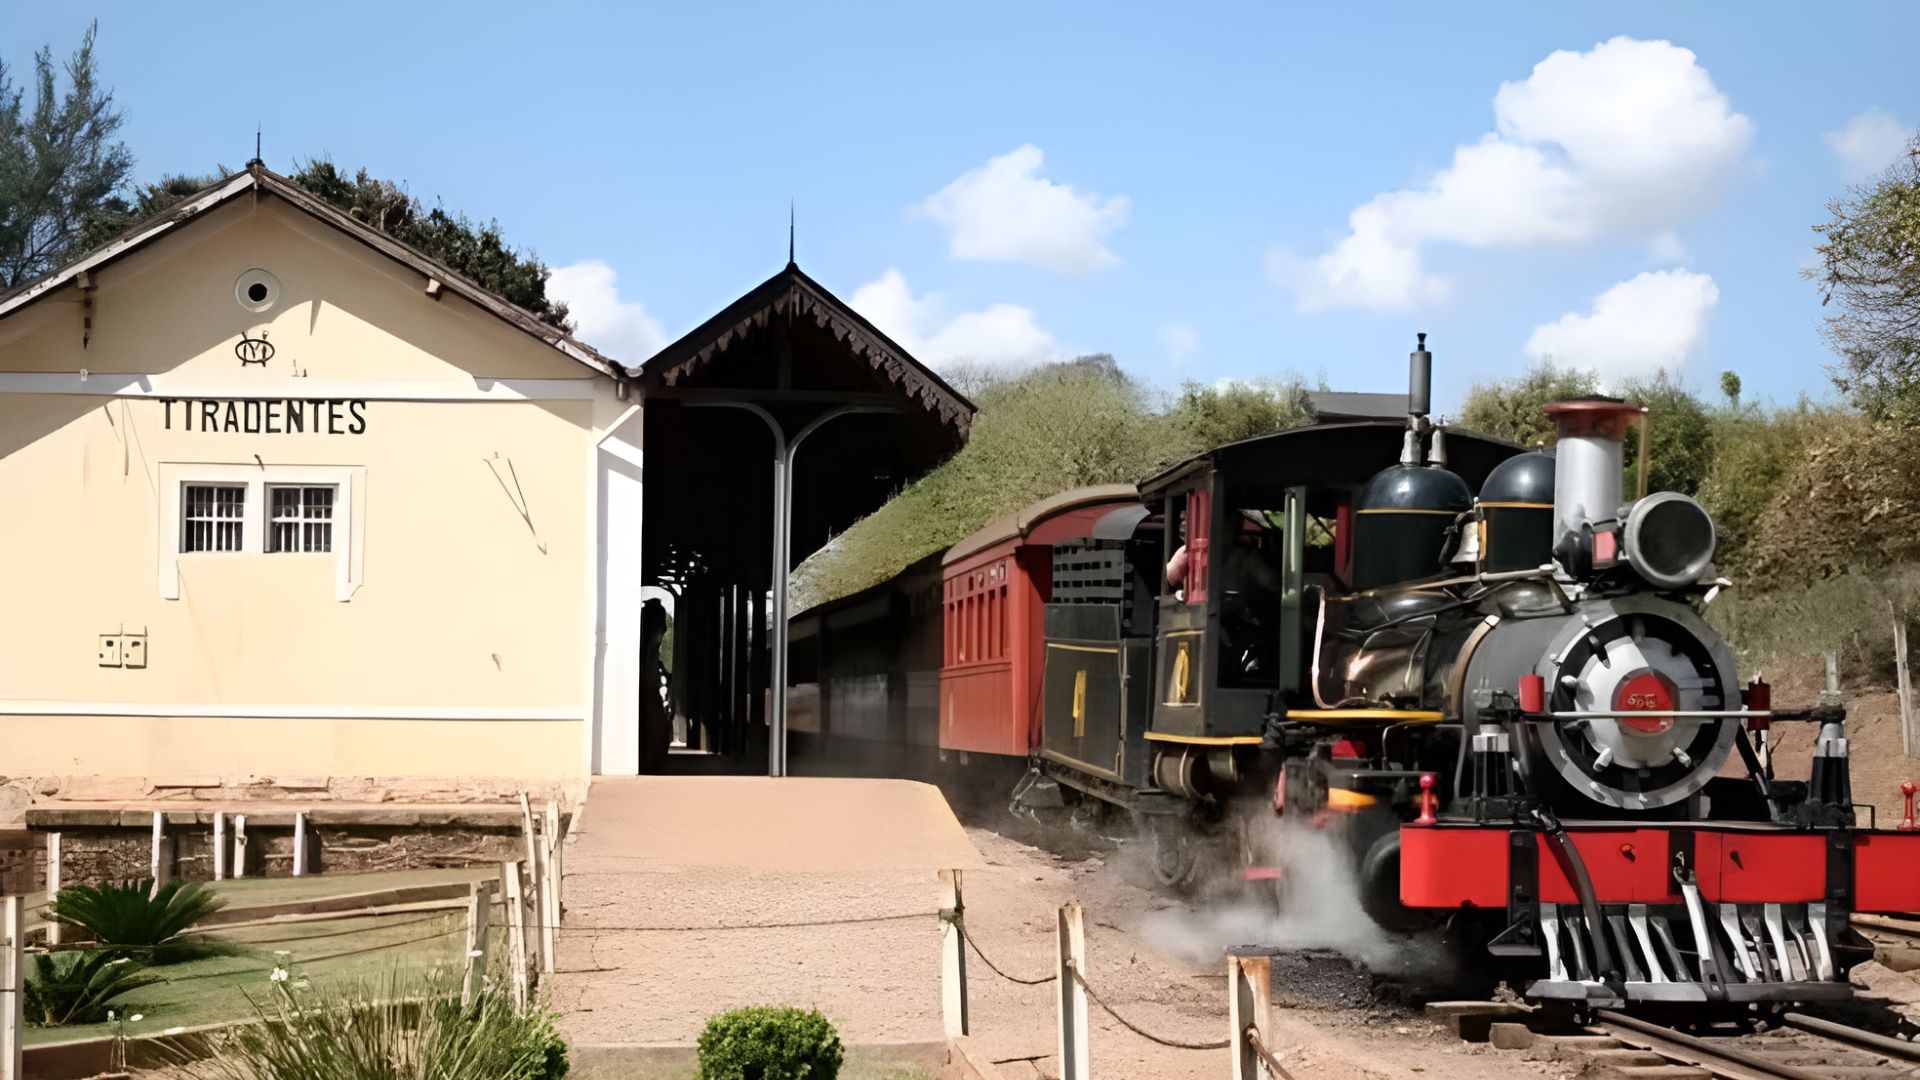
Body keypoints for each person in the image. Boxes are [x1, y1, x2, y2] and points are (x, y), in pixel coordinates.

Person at [640, 599, 669, 770]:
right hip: (649, 686)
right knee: (654, 724)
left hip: (649, 685)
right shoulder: (652, 638)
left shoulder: (649, 638)